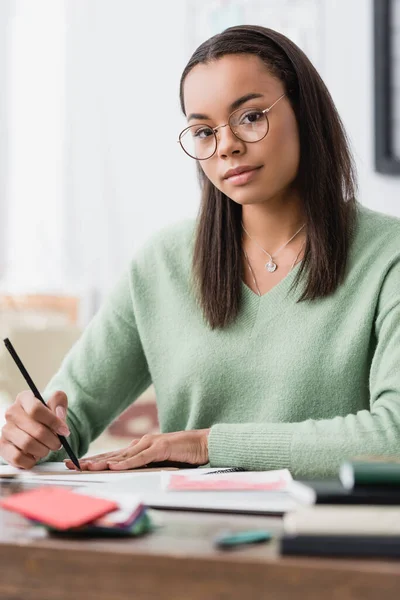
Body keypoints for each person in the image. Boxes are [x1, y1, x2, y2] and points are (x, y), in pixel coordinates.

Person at [1, 24, 400, 478]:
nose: (226, 145)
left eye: (250, 116)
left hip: (324, 538)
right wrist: (33, 437)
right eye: (204, 131)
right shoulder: (162, 264)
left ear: (305, 112)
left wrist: (208, 444)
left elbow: (394, 438)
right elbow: (65, 423)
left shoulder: (389, 256)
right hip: (186, 536)